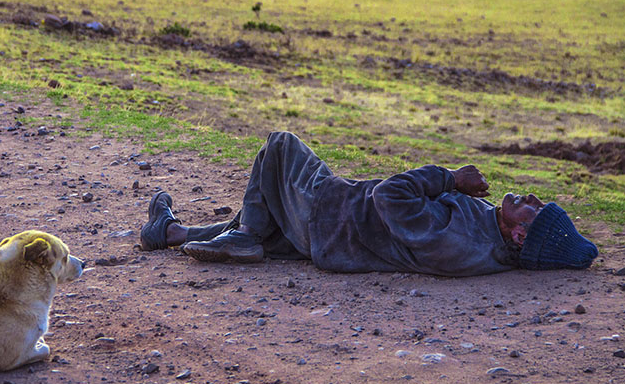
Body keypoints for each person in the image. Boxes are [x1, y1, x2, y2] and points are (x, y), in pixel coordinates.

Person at [140, 132, 598, 277]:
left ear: (522, 236)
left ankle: (243, 240)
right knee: (265, 213)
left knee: (279, 147)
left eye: (535, 209)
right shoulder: (485, 233)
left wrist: (447, 177)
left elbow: (387, 196)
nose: (530, 198)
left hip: (333, 218)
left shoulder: (461, 241)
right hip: (338, 234)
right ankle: (169, 233)